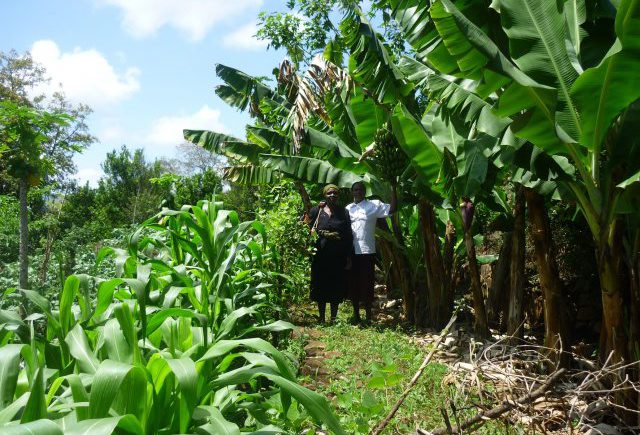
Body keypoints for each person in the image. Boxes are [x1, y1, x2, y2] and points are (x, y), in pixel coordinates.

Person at [345, 181, 397, 323]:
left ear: (364, 192)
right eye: (355, 190)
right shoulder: (348, 208)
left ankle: (368, 316)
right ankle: (356, 315)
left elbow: (392, 209)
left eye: (361, 190)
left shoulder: (373, 205)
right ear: (352, 192)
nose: (358, 192)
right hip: (352, 251)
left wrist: (394, 188)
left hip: (367, 250)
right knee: (353, 283)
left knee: (367, 282)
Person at [306, 184, 354, 323]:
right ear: (325, 195)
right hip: (320, 255)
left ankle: (333, 317)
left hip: (338, 256)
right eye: (329, 193)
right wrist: (318, 233)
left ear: (338, 195)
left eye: (335, 193)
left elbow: (348, 235)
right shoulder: (317, 211)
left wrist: (348, 257)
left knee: (336, 284)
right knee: (320, 284)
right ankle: (321, 317)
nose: (332, 195)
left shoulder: (343, 212)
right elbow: (307, 227)